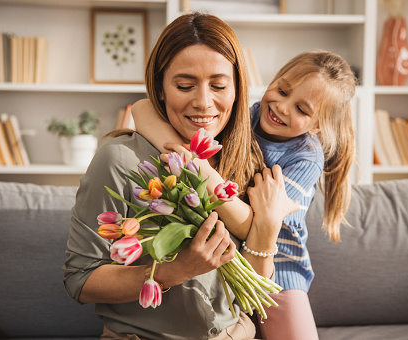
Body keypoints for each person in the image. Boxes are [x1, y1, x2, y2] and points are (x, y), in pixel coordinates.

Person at [63, 12, 295, 340]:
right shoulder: (120, 160)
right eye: (185, 85)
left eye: (219, 85)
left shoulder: (247, 157)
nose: (203, 102)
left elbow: (252, 295)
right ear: (160, 89)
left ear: (237, 91)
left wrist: (267, 230)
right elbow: (80, 281)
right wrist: (176, 270)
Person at [132, 51, 357, 339]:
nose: (282, 107)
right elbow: (141, 109)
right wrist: (191, 161)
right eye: (283, 90)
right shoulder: (244, 117)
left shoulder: (305, 159)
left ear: (316, 127)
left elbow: (257, 229)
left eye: (302, 109)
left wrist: (201, 170)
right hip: (224, 263)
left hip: (278, 272)